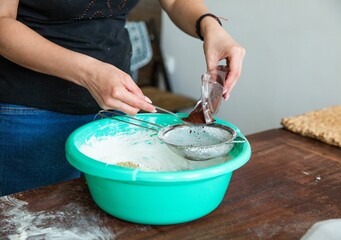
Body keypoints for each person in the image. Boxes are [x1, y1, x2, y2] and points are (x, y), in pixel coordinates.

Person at [0, 0, 246, 196]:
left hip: (115, 105)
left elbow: (174, 2)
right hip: (28, 112)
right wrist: (88, 72)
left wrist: (208, 24)